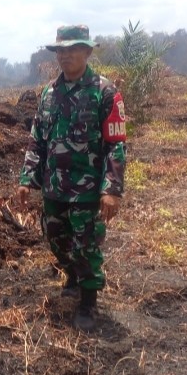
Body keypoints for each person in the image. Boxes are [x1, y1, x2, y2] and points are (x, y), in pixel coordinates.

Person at [17, 24, 126, 331]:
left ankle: (88, 302)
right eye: (61, 51)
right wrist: (27, 179)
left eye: (73, 50)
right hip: (55, 188)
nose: (66, 56)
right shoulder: (50, 94)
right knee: (57, 240)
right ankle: (73, 276)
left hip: (88, 190)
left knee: (86, 244)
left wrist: (112, 189)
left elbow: (116, 144)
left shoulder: (105, 93)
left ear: (88, 52)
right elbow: (37, 139)